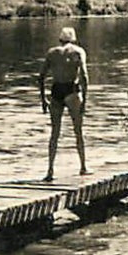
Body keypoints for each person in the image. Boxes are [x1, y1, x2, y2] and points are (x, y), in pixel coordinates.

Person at [39, 27, 90, 182]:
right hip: (71, 90)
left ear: (60, 39)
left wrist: (43, 99)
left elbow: (41, 77)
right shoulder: (78, 52)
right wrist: (85, 100)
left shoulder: (52, 53)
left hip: (56, 91)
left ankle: (50, 170)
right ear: (73, 39)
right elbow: (84, 76)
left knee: (54, 133)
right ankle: (83, 167)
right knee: (78, 131)